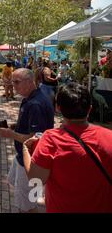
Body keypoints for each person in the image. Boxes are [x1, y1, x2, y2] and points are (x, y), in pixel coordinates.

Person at [23, 83, 112, 212]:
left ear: (58, 108)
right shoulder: (109, 136)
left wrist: (25, 149)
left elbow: (35, 178)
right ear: (89, 109)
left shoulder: (50, 139)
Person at [0, 68, 54, 213]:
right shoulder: (29, 98)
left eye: (16, 82)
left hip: (30, 160)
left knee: (27, 205)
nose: (13, 85)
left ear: (29, 82)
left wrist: (10, 134)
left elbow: (34, 138)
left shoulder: (35, 104)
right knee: (18, 186)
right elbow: (30, 127)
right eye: (12, 82)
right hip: (22, 157)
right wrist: (16, 126)